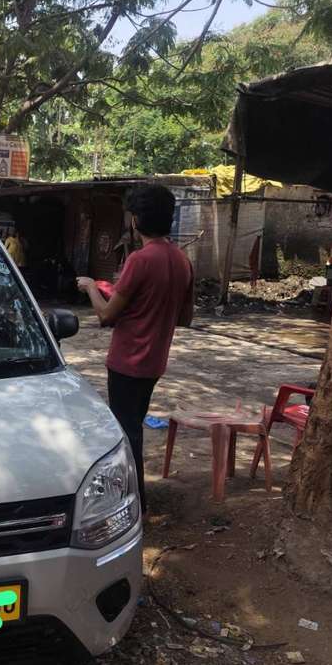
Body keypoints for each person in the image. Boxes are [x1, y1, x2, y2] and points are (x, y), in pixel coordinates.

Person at [76, 183, 194, 513]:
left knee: (126, 435)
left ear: (135, 220)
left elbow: (105, 315)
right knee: (133, 427)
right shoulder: (182, 260)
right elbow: (185, 316)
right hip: (155, 362)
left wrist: (89, 287)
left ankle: (132, 504)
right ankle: (135, 499)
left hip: (127, 362)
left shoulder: (140, 260)